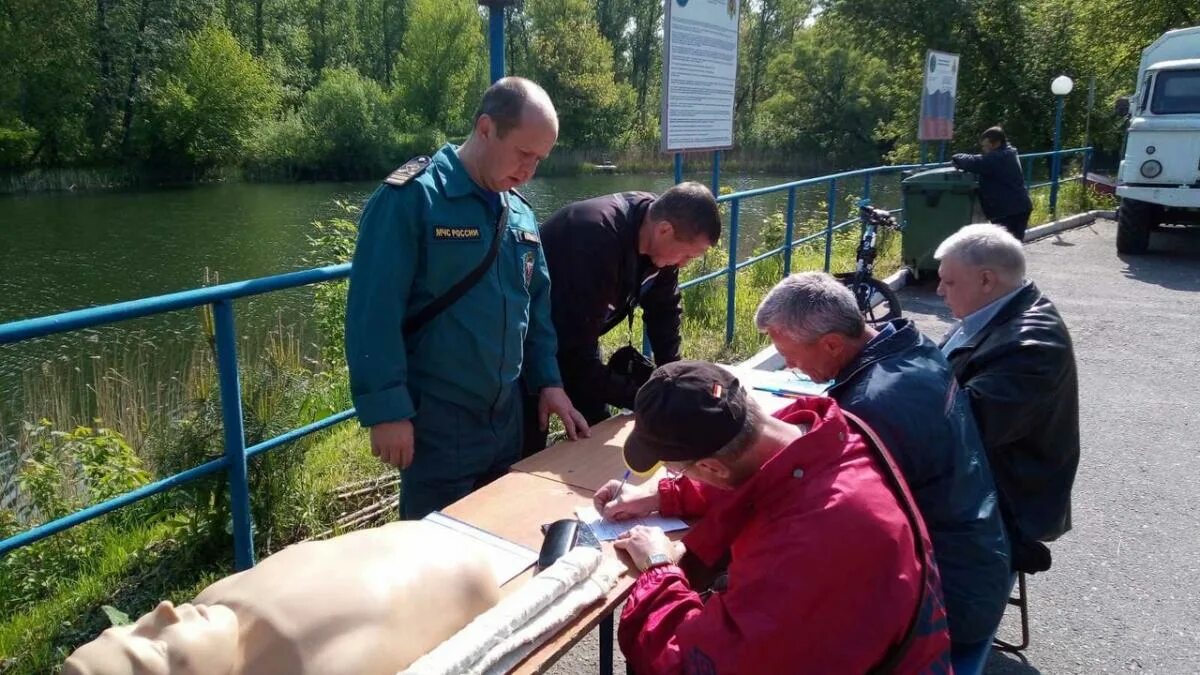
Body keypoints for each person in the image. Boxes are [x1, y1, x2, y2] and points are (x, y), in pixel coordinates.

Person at [593, 361, 951, 674]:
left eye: (676, 471)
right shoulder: (823, 437)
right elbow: (762, 477)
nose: (677, 476)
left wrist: (658, 570)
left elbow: (692, 662)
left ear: (709, 466)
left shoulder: (806, 545)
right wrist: (662, 495)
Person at [345, 77, 589, 520]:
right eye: (523, 153)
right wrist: (387, 411)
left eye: (540, 159)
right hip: (438, 420)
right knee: (434, 561)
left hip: (507, 418)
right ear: (485, 129)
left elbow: (535, 309)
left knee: (501, 539)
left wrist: (549, 382)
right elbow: (372, 312)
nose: (530, 170)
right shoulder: (414, 199)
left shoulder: (519, 212)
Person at [752, 272, 1011, 650]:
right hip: (978, 560)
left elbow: (830, 519)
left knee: (765, 610)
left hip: (945, 600)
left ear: (832, 345)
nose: (791, 368)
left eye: (791, 357)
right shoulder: (911, 347)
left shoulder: (869, 409)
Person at [61, 522, 501, 675]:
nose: (164, 610)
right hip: (465, 573)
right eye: (156, 647)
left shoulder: (216, 601)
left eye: (133, 623)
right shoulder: (307, 663)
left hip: (430, 540)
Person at [523, 183, 721, 453]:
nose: (684, 264)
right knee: (528, 446)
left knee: (593, 428)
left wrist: (672, 380)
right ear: (664, 229)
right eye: (687, 255)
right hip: (527, 345)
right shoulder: (593, 238)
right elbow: (575, 359)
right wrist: (647, 399)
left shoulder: (660, 238)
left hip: (581, 334)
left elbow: (664, 310)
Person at [935, 223, 1080, 573]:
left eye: (949, 282)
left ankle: (953, 620)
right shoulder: (992, 310)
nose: (939, 291)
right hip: (985, 474)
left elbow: (963, 429)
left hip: (1008, 499)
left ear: (986, 280)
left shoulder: (1031, 345)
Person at [951, 126, 1034, 240]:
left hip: (1008, 211)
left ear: (996, 143)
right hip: (1018, 207)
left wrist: (956, 157)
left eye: (986, 146)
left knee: (1004, 248)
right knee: (1012, 247)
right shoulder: (1009, 152)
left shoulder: (997, 158)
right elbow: (984, 159)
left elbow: (975, 162)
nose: (984, 149)